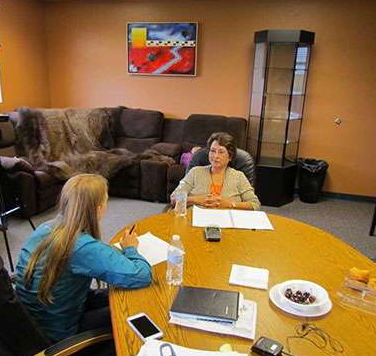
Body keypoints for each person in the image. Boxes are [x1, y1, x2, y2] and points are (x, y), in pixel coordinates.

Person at [15, 173, 152, 343]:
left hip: (42, 318)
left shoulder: (46, 227)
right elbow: (142, 275)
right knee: (137, 306)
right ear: (98, 209)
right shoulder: (82, 246)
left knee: (116, 294)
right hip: (62, 334)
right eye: (106, 201)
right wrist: (130, 248)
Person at [171, 132, 262, 211]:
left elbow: (254, 205)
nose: (215, 156)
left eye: (221, 152)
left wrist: (230, 204)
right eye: (213, 151)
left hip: (227, 223)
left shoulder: (239, 177)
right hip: (195, 220)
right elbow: (174, 199)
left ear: (230, 156)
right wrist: (197, 200)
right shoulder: (195, 172)